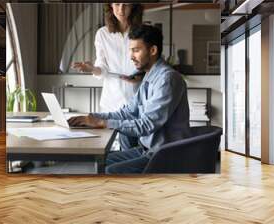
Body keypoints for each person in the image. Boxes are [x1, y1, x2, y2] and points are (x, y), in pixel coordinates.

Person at [68, 25, 191, 174]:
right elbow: (127, 112)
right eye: (130, 50)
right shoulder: (149, 76)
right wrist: (91, 117)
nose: (131, 56)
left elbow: (146, 125)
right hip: (148, 150)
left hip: (165, 154)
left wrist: (102, 123)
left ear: (152, 50)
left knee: (112, 170)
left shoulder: (167, 79)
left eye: (136, 50)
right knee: (100, 162)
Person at [73, 3, 144, 151]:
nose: (121, 9)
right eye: (117, 3)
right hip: (112, 100)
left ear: (133, 7)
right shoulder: (102, 34)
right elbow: (102, 69)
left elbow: (149, 64)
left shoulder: (141, 32)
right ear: (110, 6)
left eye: (126, 4)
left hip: (136, 99)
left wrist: (141, 76)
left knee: (134, 149)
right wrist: (92, 68)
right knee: (110, 149)